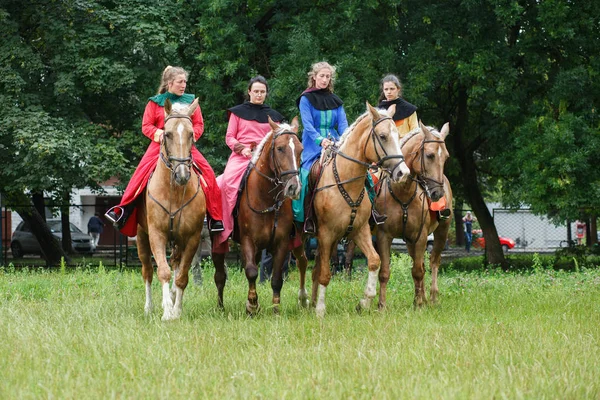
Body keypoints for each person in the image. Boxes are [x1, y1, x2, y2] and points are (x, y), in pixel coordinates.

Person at [104, 66, 224, 236]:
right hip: (160, 145)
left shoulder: (191, 102)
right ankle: (123, 211)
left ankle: (214, 218)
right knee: (139, 175)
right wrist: (159, 134)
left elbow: (198, 124)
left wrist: (193, 135)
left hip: (185, 146)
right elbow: (146, 126)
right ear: (170, 83)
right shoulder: (155, 102)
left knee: (209, 175)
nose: (184, 85)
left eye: (185, 82)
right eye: (180, 82)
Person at [212, 75, 286, 254]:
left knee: (287, 182)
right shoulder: (237, 113)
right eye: (256, 91)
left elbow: (279, 139)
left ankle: (288, 227)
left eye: (262, 92)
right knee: (227, 182)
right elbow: (229, 136)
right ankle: (224, 223)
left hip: (266, 159)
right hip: (242, 156)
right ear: (249, 92)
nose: (259, 95)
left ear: (266, 93)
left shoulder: (274, 117)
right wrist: (242, 148)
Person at [292, 61, 349, 234]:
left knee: (362, 171)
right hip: (313, 144)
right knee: (308, 174)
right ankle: (307, 216)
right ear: (314, 77)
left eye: (328, 76)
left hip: (336, 142)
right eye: (322, 76)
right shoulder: (305, 99)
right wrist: (321, 140)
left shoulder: (336, 101)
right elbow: (308, 126)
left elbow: (344, 125)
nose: (324, 79)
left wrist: (344, 140)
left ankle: (370, 213)